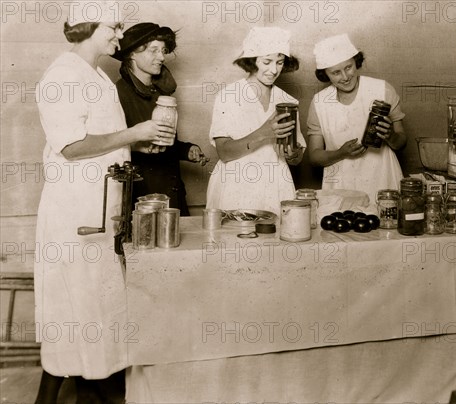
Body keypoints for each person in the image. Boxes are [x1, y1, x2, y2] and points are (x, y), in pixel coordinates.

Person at [33, 3, 175, 403]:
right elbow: (72, 147)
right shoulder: (61, 76)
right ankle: (87, 393)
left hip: (101, 209)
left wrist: (137, 141)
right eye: (114, 27)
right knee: (76, 308)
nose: (118, 35)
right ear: (89, 26)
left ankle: (83, 392)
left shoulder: (94, 74)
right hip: (74, 213)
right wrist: (134, 133)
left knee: (90, 310)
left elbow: (104, 139)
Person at [205, 26, 305, 214]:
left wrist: (293, 153)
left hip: (277, 184)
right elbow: (224, 153)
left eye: (280, 62)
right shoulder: (229, 96)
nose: (274, 70)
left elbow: (296, 159)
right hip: (236, 185)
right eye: (266, 61)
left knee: (277, 240)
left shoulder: (288, 102)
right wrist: (264, 133)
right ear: (252, 61)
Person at [113, 22, 208, 216]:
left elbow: (163, 140)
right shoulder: (117, 93)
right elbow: (107, 143)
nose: (162, 57)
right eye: (153, 50)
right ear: (132, 53)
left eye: (163, 51)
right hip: (142, 199)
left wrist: (185, 149)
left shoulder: (160, 93)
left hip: (172, 193)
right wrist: (137, 145)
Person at [307, 33, 407, 203]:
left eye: (348, 67)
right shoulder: (319, 102)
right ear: (325, 74)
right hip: (340, 186)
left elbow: (402, 142)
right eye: (336, 73)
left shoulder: (382, 89)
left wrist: (390, 136)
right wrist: (341, 153)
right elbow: (314, 156)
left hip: (383, 180)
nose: (345, 77)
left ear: (356, 62)